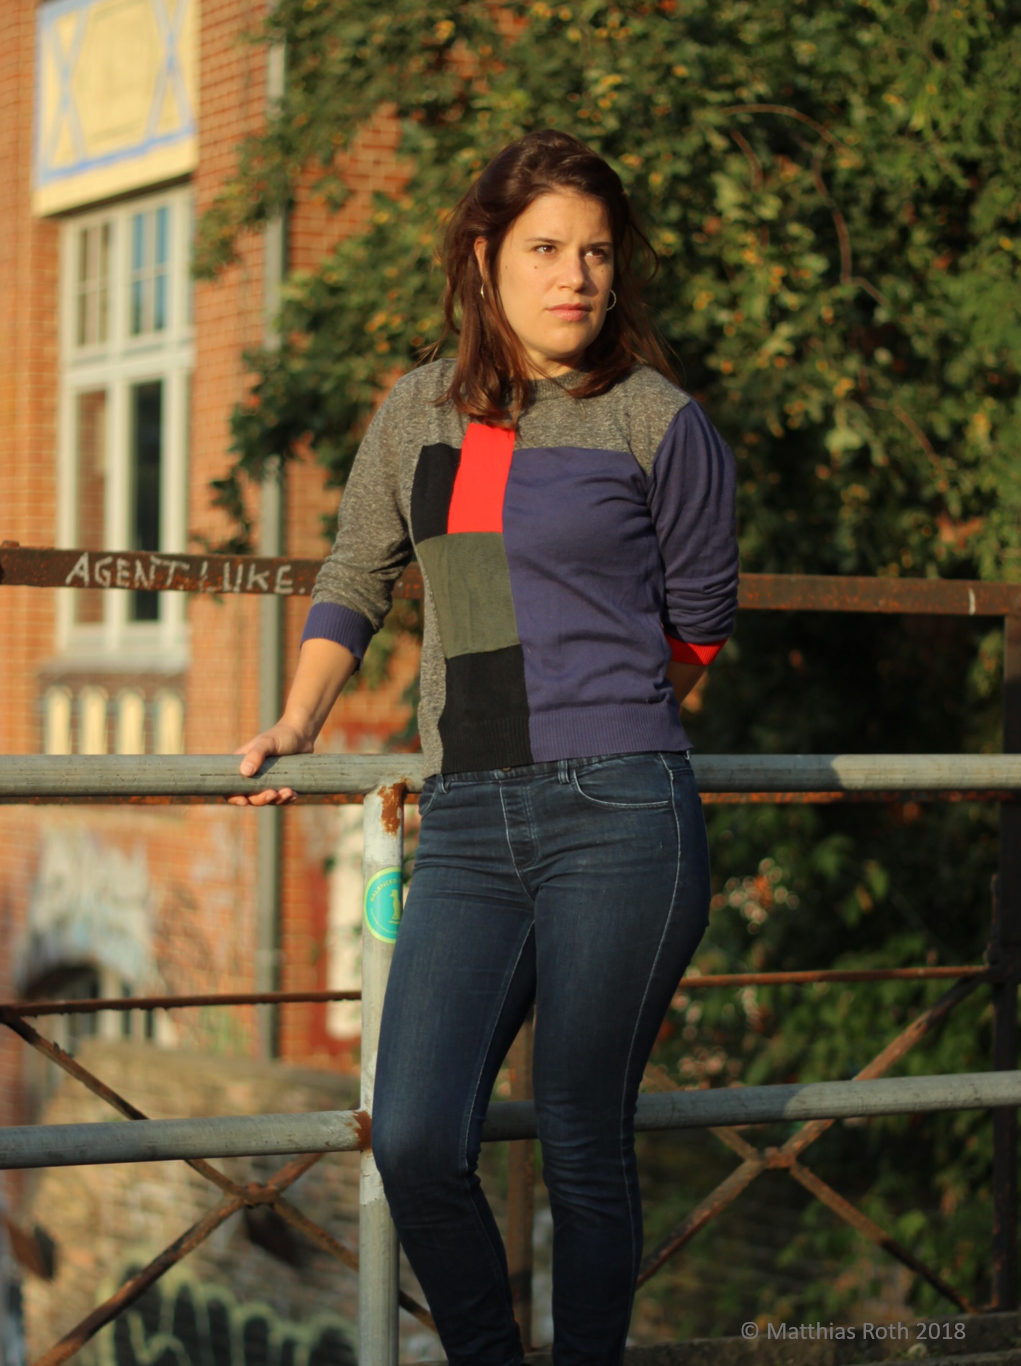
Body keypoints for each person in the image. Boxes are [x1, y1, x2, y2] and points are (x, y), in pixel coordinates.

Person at [232, 129, 739, 1366]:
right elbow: (357, 575)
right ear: (483, 257)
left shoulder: (656, 421)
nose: (575, 277)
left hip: (620, 818)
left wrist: (607, 715)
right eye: (545, 249)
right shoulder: (420, 409)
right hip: (463, 818)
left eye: (596, 253)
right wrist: (297, 719)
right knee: (412, 1136)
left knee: (580, 1137)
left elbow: (699, 623)